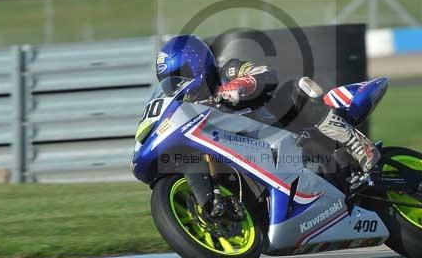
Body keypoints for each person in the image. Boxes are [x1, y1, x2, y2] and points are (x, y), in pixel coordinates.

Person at [156, 35, 379, 179]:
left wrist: (238, 87)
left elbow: (266, 74)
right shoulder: (193, 111)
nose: (176, 88)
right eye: (170, 84)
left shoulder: (228, 71)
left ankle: (358, 145)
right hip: (261, 160)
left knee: (291, 91)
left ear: (194, 66)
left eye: (178, 80)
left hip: (290, 134)